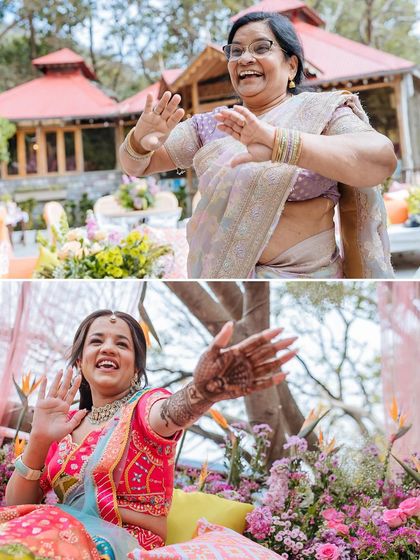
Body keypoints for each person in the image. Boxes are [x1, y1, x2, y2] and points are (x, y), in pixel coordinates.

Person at [119, 11, 397, 280]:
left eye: (261, 48)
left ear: (291, 65)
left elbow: (381, 160)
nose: (245, 58)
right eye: (236, 51)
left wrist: (279, 144)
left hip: (305, 281)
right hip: (222, 279)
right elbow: (137, 165)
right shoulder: (212, 124)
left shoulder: (322, 114)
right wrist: (139, 142)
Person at [0, 309, 297, 559]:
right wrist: (39, 440)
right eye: (96, 341)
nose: (108, 348)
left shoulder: (144, 407)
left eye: (122, 344)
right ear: (80, 361)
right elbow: (15, 507)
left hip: (118, 549)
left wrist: (202, 392)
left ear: (136, 367)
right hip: (48, 533)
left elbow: (169, 413)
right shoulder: (64, 426)